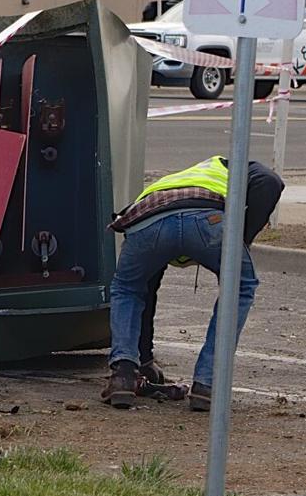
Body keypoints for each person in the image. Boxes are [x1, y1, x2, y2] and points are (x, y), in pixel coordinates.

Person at [102, 155, 284, 411]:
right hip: (206, 220)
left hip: (146, 221)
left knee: (129, 288)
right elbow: (270, 181)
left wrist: (142, 362)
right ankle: (207, 383)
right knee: (239, 287)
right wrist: (242, 239)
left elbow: (146, 296)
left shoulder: (173, 181)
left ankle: (122, 376)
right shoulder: (231, 165)